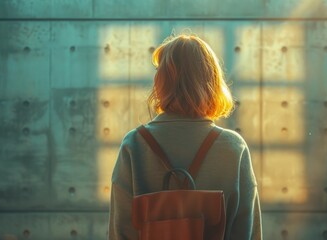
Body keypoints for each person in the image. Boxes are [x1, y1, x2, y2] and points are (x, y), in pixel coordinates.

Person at [108, 33, 262, 240]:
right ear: (212, 81)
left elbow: (121, 232)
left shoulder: (134, 145)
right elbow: (247, 232)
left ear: (160, 82)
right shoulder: (233, 148)